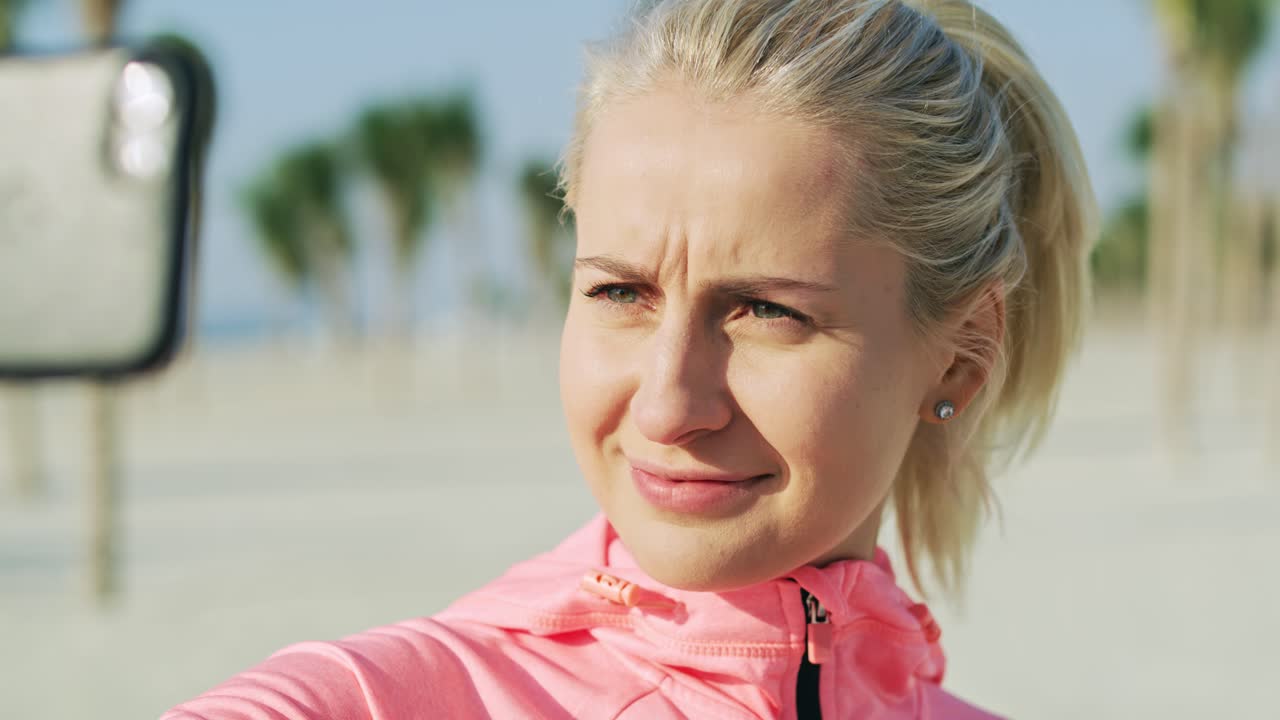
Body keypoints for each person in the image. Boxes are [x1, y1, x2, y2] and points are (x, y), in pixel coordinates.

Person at [162, 0, 1095, 717]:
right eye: (621, 293)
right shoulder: (393, 694)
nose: (665, 404)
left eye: (767, 310)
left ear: (963, 358)